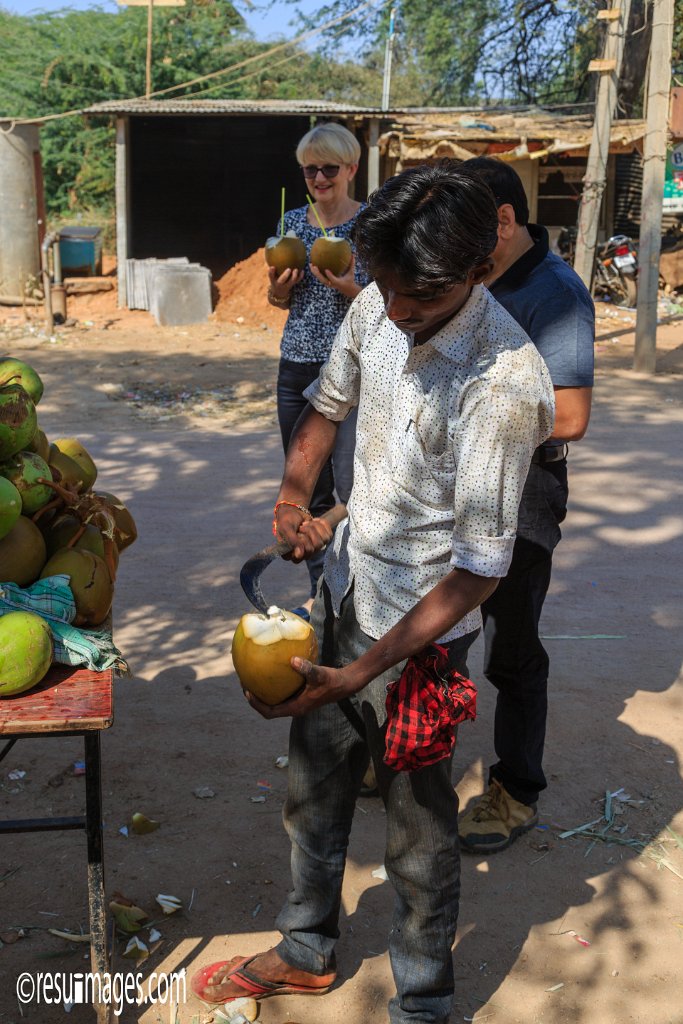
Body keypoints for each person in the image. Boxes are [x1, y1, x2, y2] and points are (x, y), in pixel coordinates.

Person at [192, 163, 555, 1023]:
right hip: (346, 582)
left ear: (480, 264)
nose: (394, 311)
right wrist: (295, 495)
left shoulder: (502, 386)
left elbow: (477, 568)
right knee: (313, 783)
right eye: (385, 288)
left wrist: (365, 674)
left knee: (417, 831)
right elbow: (326, 405)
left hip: (422, 631)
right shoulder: (378, 298)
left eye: (419, 296)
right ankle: (306, 947)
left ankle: (422, 1002)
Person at [456, 156, 594, 853]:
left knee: (509, 648)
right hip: (449, 478)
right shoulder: (471, 273)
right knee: (431, 629)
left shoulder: (555, 293)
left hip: (523, 491)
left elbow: (568, 416)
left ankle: (515, 789)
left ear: (505, 222)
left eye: (469, 231)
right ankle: (414, 753)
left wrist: (473, 420)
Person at [268, 121, 370, 619]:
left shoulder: (370, 225)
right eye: (311, 170)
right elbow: (278, 300)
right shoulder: (292, 223)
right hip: (297, 364)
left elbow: (386, 302)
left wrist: (346, 286)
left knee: (351, 485)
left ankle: (350, 585)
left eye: (329, 168)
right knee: (308, 486)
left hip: (351, 371)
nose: (320, 178)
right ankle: (321, 590)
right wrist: (281, 286)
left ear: (351, 168)